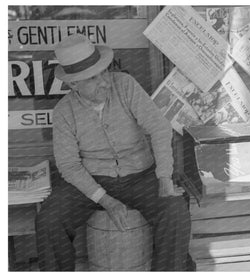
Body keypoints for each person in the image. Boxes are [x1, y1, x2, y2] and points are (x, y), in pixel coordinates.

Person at [35, 34, 191, 271]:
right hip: (92, 180)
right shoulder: (63, 112)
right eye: (93, 78)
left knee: (175, 211)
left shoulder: (125, 85)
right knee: (48, 219)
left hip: (141, 176)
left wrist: (164, 178)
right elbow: (69, 166)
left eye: (104, 72)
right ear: (73, 84)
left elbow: (159, 128)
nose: (105, 82)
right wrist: (106, 200)